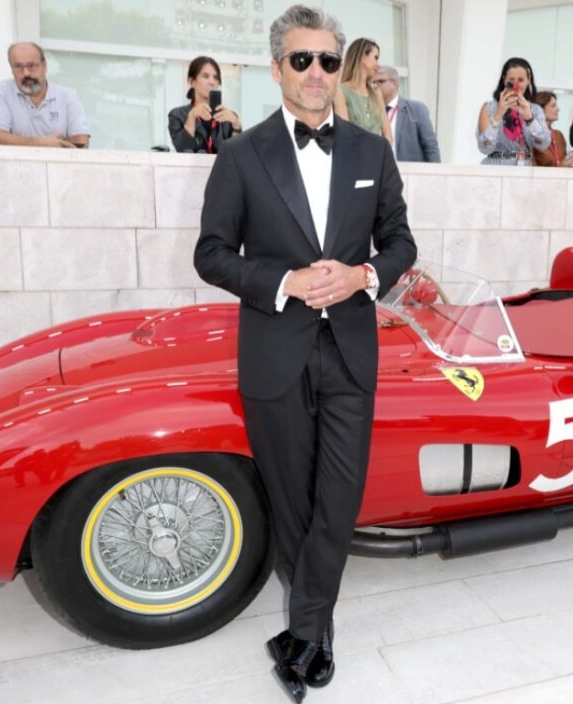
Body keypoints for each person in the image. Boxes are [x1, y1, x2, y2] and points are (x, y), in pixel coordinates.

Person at [193, 5, 416, 702]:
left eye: (326, 60)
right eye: (301, 60)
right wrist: (285, 282)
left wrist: (363, 276)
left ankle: (307, 626)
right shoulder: (240, 155)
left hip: (349, 347)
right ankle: (313, 632)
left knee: (338, 499)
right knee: (291, 499)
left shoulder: (371, 151)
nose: (315, 72)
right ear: (276, 68)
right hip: (275, 348)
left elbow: (402, 242)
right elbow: (210, 255)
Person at [0, 42, 90, 148]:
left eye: (31, 66)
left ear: (44, 65)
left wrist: (18, 141)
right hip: (15, 164)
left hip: (58, 164)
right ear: (11, 68)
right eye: (18, 66)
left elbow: (81, 142)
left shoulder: (67, 96)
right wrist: (42, 143)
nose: (26, 73)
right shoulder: (1, 91)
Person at [476, 57, 551, 166]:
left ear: (528, 80)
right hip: (494, 168)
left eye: (521, 80)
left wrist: (529, 118)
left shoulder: (535, 110)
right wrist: (498, 115)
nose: (516, 85)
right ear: (504, 80)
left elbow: (543, 144)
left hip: (524, 170)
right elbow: (484, 147)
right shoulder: (489, 108)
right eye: (511, 80)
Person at [168, 56, 241, 153]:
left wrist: (236, 126)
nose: (212, 82)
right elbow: (182, 149)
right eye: (205, 76)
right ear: (192, 82)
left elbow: (236, 154)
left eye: (215, 78)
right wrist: (191, 117)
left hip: (221, 168)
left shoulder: (228, 117)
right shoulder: (177, 115)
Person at [372, 65, 440, 162]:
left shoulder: (417, 110)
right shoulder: (371, 111)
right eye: (374, 82)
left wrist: (435, 174)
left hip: (409, 173)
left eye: (381, 81)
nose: (376, 85)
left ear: (394, 83)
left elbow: (431, 147)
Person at [333, 37, 392, 143]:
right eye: (375, 57)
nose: (378, 64)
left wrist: (381, 153)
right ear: (363, 57)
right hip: (354, 157)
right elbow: (345, 135)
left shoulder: (376, 93)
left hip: (378, 157)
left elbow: (387, 133)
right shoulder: (341, 92)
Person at [531, 91, 573, 167]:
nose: (558, 109)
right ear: (540, 111)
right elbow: (531, 169)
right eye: (553, 106)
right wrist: (561, 167)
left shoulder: (559, 135)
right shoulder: (531, 136)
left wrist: (572, 162)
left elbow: (564, 162)